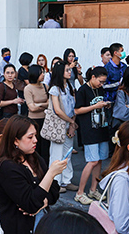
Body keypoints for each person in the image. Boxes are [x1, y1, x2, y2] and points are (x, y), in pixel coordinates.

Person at [74, 67, 110, 205]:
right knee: (92, 161)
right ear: (93, 77)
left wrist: (104, 106)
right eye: (100, 81)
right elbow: (77, 110)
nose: (101, 84)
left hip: (101, 127)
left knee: (100, 160)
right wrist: (95, 106)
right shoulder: (83, 90)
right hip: (89, 129)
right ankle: (80, 193)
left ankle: (93, 189)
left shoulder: (100, 89)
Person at [47, 61, 77, 192]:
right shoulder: (54, 89)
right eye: (67, 70)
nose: (70, 72)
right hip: (59, 124)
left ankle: (66, 180)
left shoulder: (70, 86)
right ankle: (54, 182)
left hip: (69, 122)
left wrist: (72, 123)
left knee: (68, 153)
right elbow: (57, 110)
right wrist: (71, 122)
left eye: (70, 70)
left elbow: (75, 107)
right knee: (56, 154)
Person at [24, 65, 50, 161]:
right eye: (41, 73)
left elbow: (50, 103)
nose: (43, 75)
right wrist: (44, 105)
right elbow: (31, 108)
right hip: (34, 120)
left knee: (46, 146)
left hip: (46, 119)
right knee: (35, 146)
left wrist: (38, 104)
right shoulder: (28, 88)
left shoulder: (45, 86)